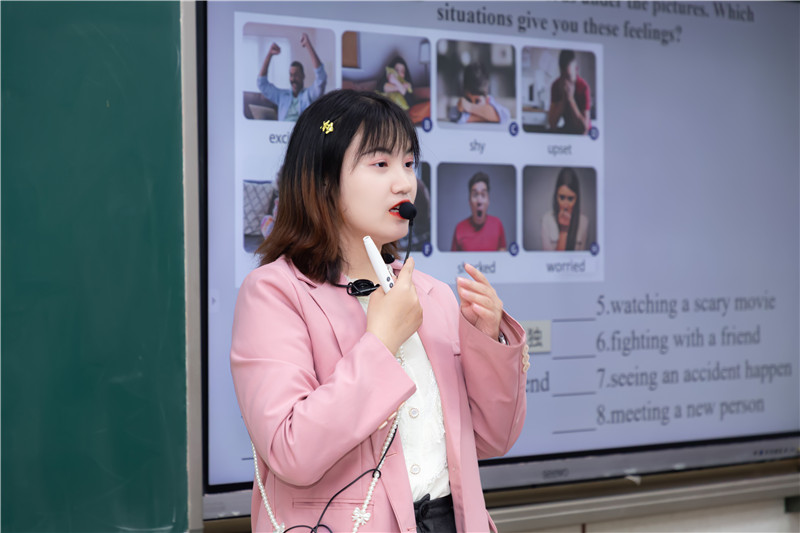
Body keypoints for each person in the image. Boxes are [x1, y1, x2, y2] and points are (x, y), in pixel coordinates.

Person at [230, 90, 528, 533]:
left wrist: (488, 341)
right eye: (381, 163)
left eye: (408, 163)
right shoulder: (273, 293)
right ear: (324, 179)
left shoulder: (430, 294)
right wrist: (382, 343)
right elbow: (291, 451)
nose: (404, 183)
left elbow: (492, 439)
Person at [256, 32, 327, 122]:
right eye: (291, 75)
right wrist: (269, 54)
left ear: (303, 76)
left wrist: (308, 45)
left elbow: (321, 78)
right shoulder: (282, 96)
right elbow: (262, 84)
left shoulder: (309, 95)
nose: (293, 79)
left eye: (296, 75)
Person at [451, 172, 508, 252]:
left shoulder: (497, 225)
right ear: (469, 201)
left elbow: (503, 258)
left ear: (488, 201)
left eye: (483, 195)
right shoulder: (459, 228)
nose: (479, 201)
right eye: (475, 195)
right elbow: (453, 259)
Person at [541, 167, 589, 251]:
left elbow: (582, 256)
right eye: (562, 197)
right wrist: (563, 230)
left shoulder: (584, 221)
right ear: (556, 197)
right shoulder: (547, 220)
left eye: (570, 199)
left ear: (576, 199)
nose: (565, 205)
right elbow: (549, 258)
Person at [547, 50, 591, 134]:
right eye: (563, 77)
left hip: (583, 134)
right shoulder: (556, 85)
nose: (565, 82)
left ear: (576, 69)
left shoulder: (584, 87)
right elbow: (552, 124)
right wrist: (564, 99)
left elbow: (584, 128)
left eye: (568, 77)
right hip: (568, 129)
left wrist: (570, 99)